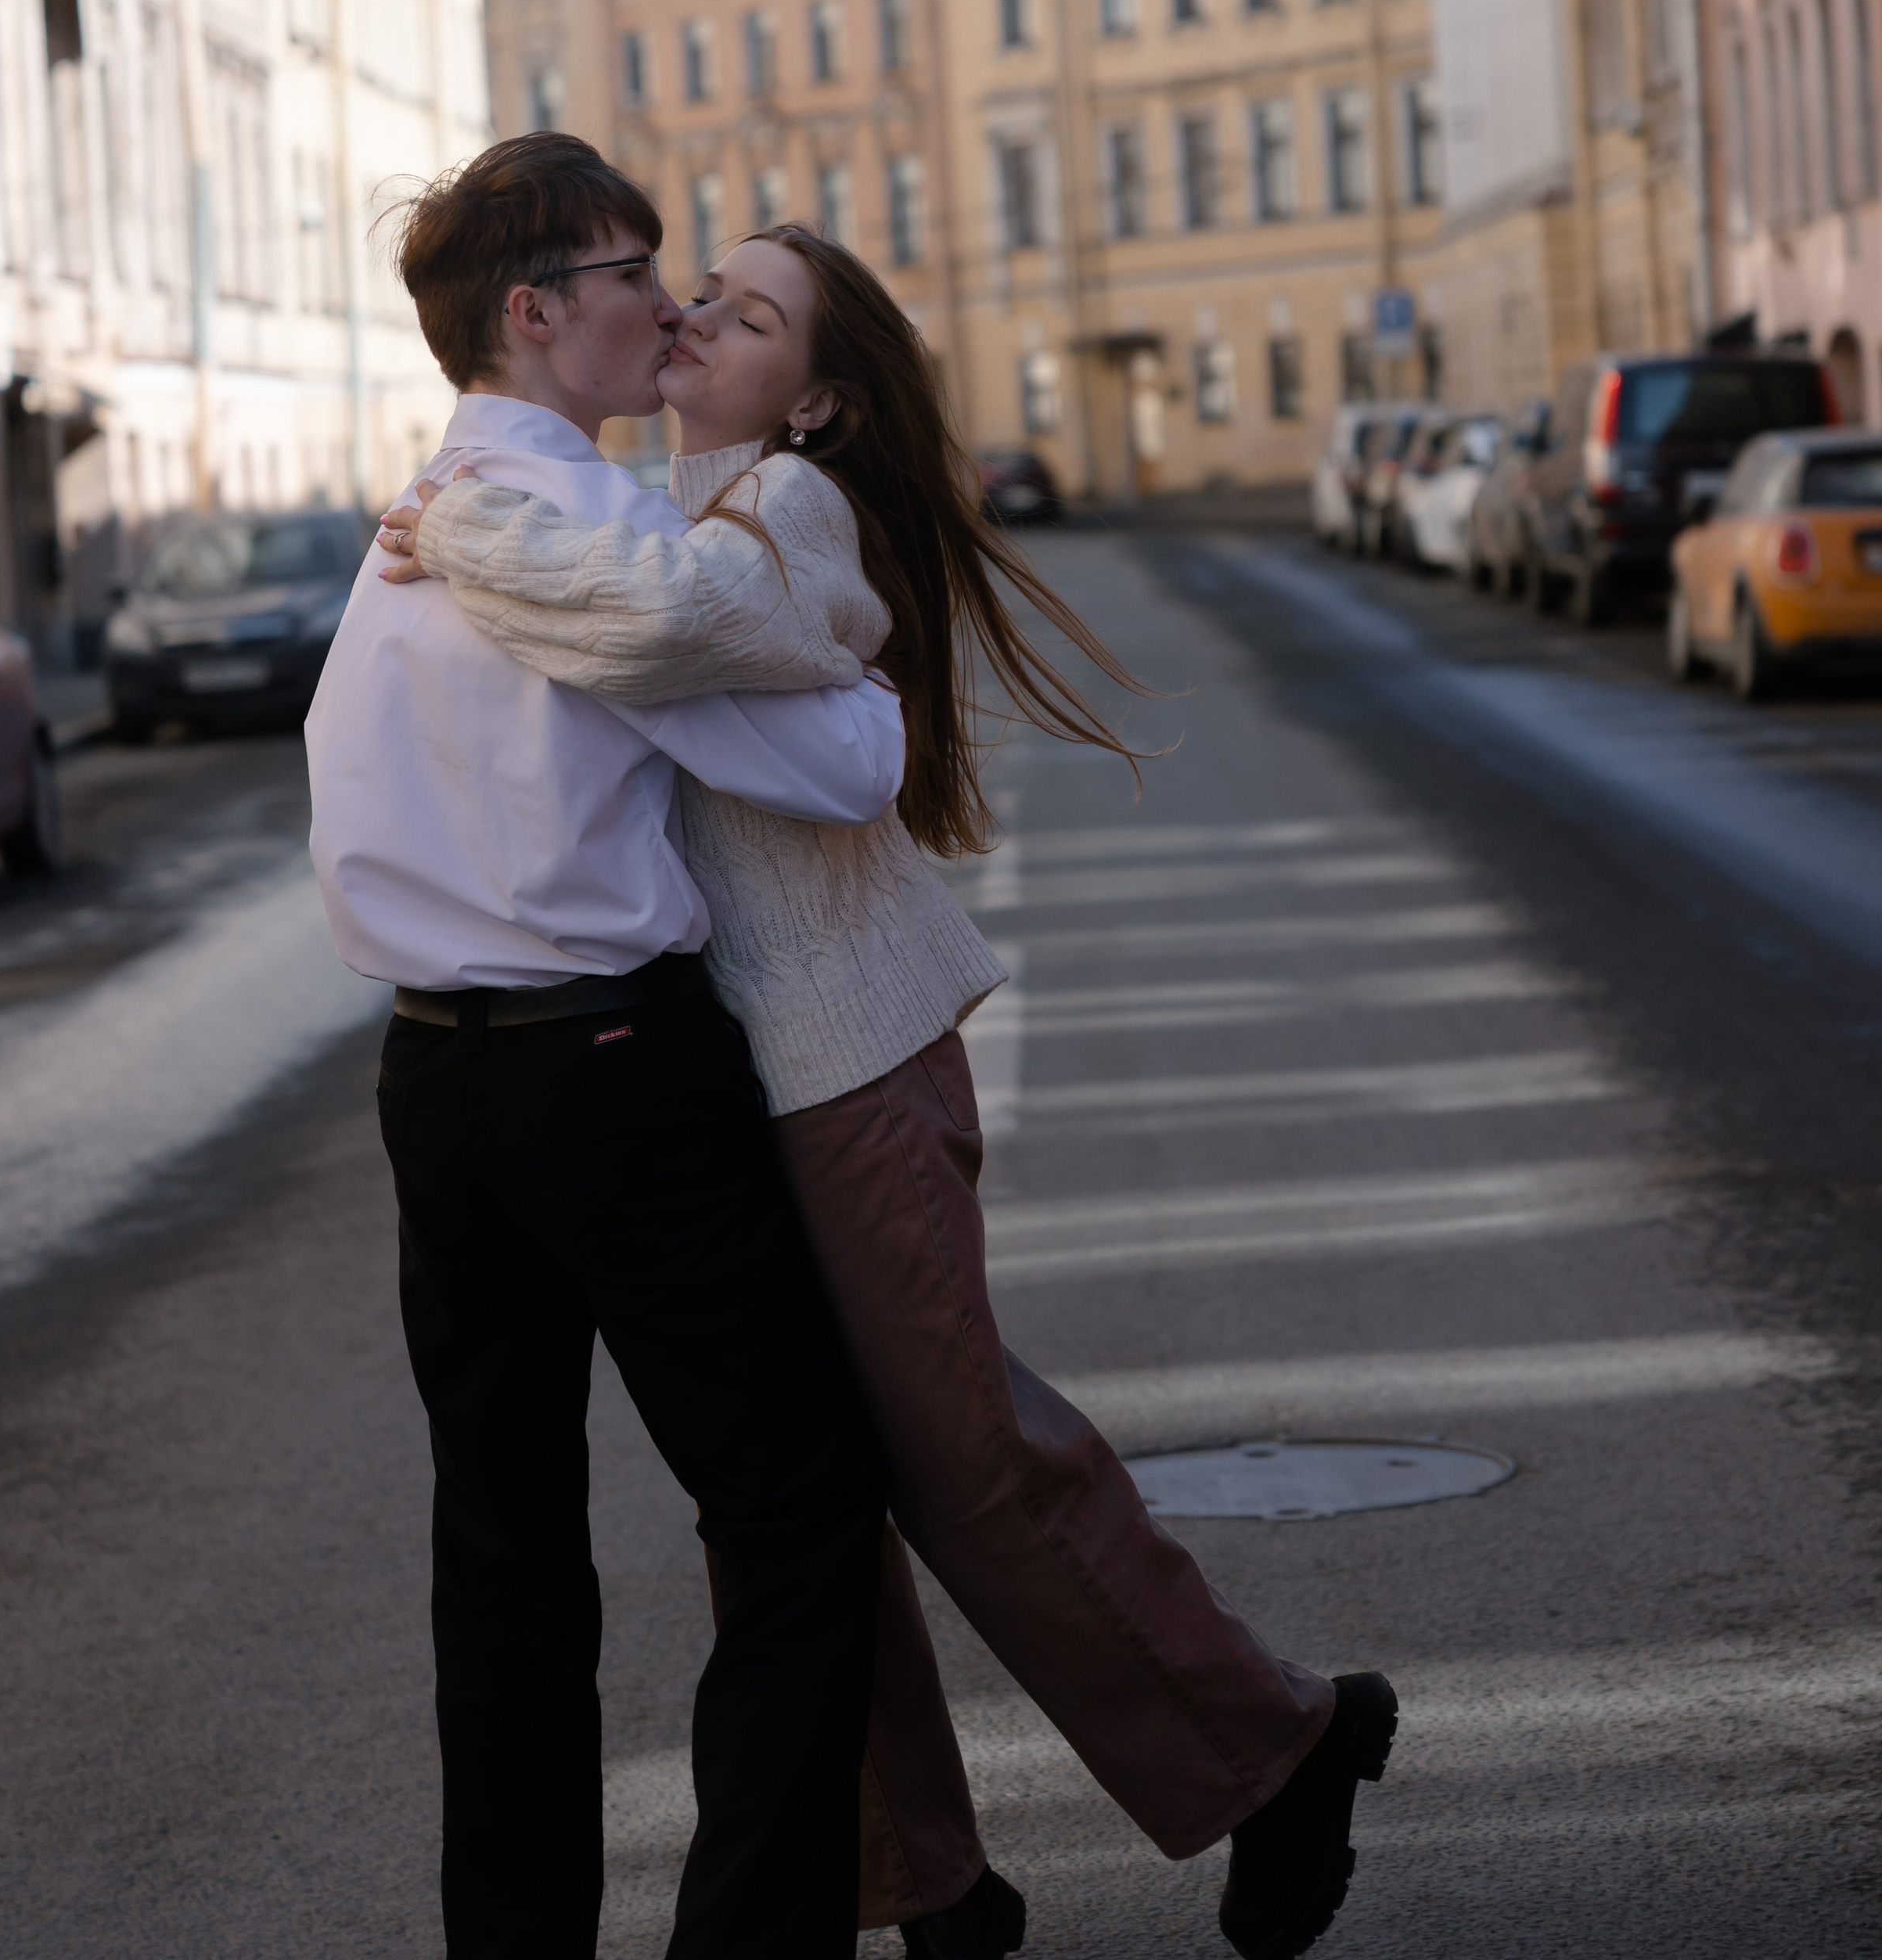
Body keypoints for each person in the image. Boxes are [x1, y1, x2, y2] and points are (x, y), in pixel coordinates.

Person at [377, 217, 1399, 1960]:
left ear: (822, 402)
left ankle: (1278, 1748)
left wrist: (458, 522)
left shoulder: (784, 515)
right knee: (785, 1504)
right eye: (703, 289)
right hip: (721, 1079)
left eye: (750, 314)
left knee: (962, 1466)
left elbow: (662, 629)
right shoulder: (646, 514)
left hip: (845, 1057)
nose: (696, 316)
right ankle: (916, 1879)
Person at [304, 137, 908, 1960]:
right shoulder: (604, 539)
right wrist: (843, 660)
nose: (669, 301)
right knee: (799, 1518)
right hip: (616, 1070)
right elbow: (854, 769)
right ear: (533, 313)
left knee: (501, 1566)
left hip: (435, 1087)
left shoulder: (402, 546)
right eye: (632, 268)